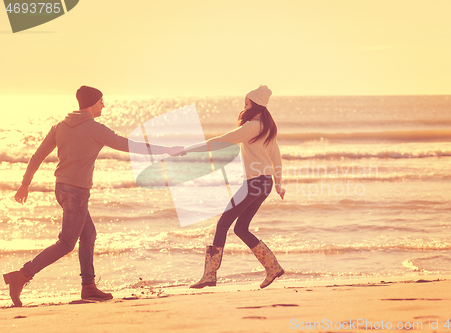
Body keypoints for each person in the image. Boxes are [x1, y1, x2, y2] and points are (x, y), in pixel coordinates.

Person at [3, 86, 185, 307]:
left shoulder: (60, 126)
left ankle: (88, 286)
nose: (103, 105)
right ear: (92, 103)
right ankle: (21, 276)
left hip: (61, 189)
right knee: (66, 243)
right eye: (101, 101)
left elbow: (38, 155)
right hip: (76, 192)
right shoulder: (95, 129)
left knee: (88, 234)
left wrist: (25, 184)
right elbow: (130, 145)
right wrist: (166, 150)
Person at [187, 85, 286, 289]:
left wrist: (194, 149)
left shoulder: (251, 127)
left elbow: (225, 140)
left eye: (247, 103)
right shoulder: (268, 128)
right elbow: (276, 157)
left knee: (223, 225)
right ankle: (272, 267)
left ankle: (209, 275)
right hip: (265, 183)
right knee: (241, 228)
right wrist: (278, 184)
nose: (244, 107)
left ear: (256, 105)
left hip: (254, 183)